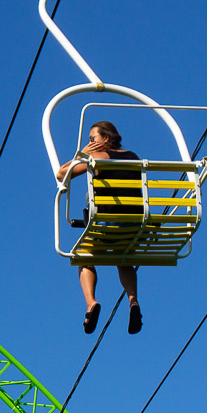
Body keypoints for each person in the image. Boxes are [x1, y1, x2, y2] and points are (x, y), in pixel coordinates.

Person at [57, 120, 144, 335]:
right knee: (123, 258)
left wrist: (82, 153)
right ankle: (133, 301)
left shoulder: (98, 157)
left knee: (84, 255)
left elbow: (61, 174)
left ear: (105, 139)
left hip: (109, 224)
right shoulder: (133, 157)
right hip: (132, 225)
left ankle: (91, 303)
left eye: (92, 138)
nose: (90, 142)